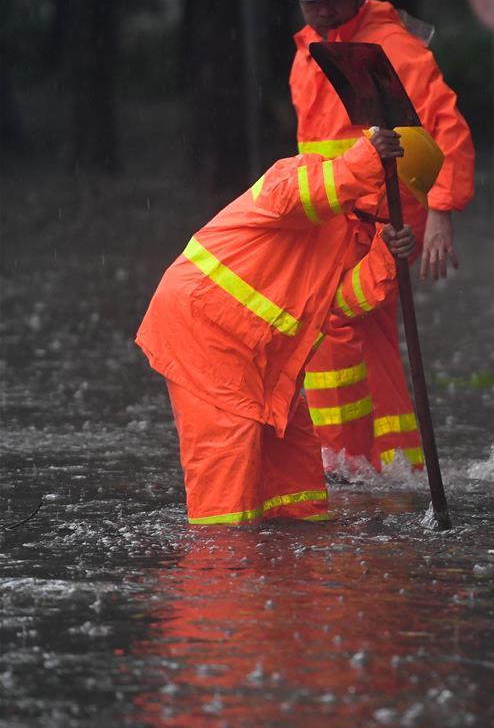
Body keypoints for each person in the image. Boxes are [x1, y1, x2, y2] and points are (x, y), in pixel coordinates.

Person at [136, 127, 442, 526]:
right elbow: (293, 200)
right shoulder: (303, 172)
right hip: (206, 334)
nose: (407, 212)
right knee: (227, 484)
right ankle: (218, 574)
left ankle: (288, 576)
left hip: (265, 360)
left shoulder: (361, 233)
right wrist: (362, 162)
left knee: (296, 483)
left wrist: (386, 258)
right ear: (389, 182)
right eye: (405, 199)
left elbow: (342, 304)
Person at [285, 0, 475, 475]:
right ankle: (388, 465)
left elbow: (447, 127)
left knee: (334, 320)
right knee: (364, 338)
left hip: (381, 221)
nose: (319, 11)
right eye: (308, 1)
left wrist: (441, 213)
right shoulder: (310, 51)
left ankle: (346, 462)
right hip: (334, 219)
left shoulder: (391, 46)